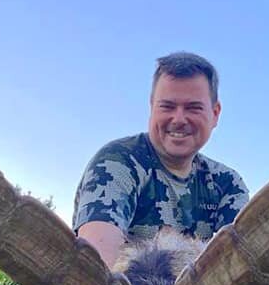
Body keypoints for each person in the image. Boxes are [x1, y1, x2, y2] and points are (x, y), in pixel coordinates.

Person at [72, 52, 249, 268]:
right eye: (167, 106)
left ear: (215, 113)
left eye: (193, 108)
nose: (179, 119)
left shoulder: (228, 184)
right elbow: (98, 265)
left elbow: (238, 267)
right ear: (152, 107)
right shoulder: (117, 162)